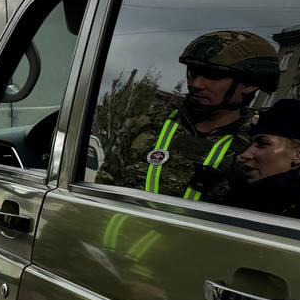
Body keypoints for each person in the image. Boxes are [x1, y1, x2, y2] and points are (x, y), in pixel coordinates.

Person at [95, 30, 279, 202]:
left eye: (212, 75)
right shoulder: (149, 123)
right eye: (193, 72)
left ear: (250, 84)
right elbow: (103, 189)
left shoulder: (256, 147)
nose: (195, 83)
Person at [227, 98, 300, 222]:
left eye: (262, 144)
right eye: (250, 144)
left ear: (298, 155)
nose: (244, 154)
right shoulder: (246, 197)